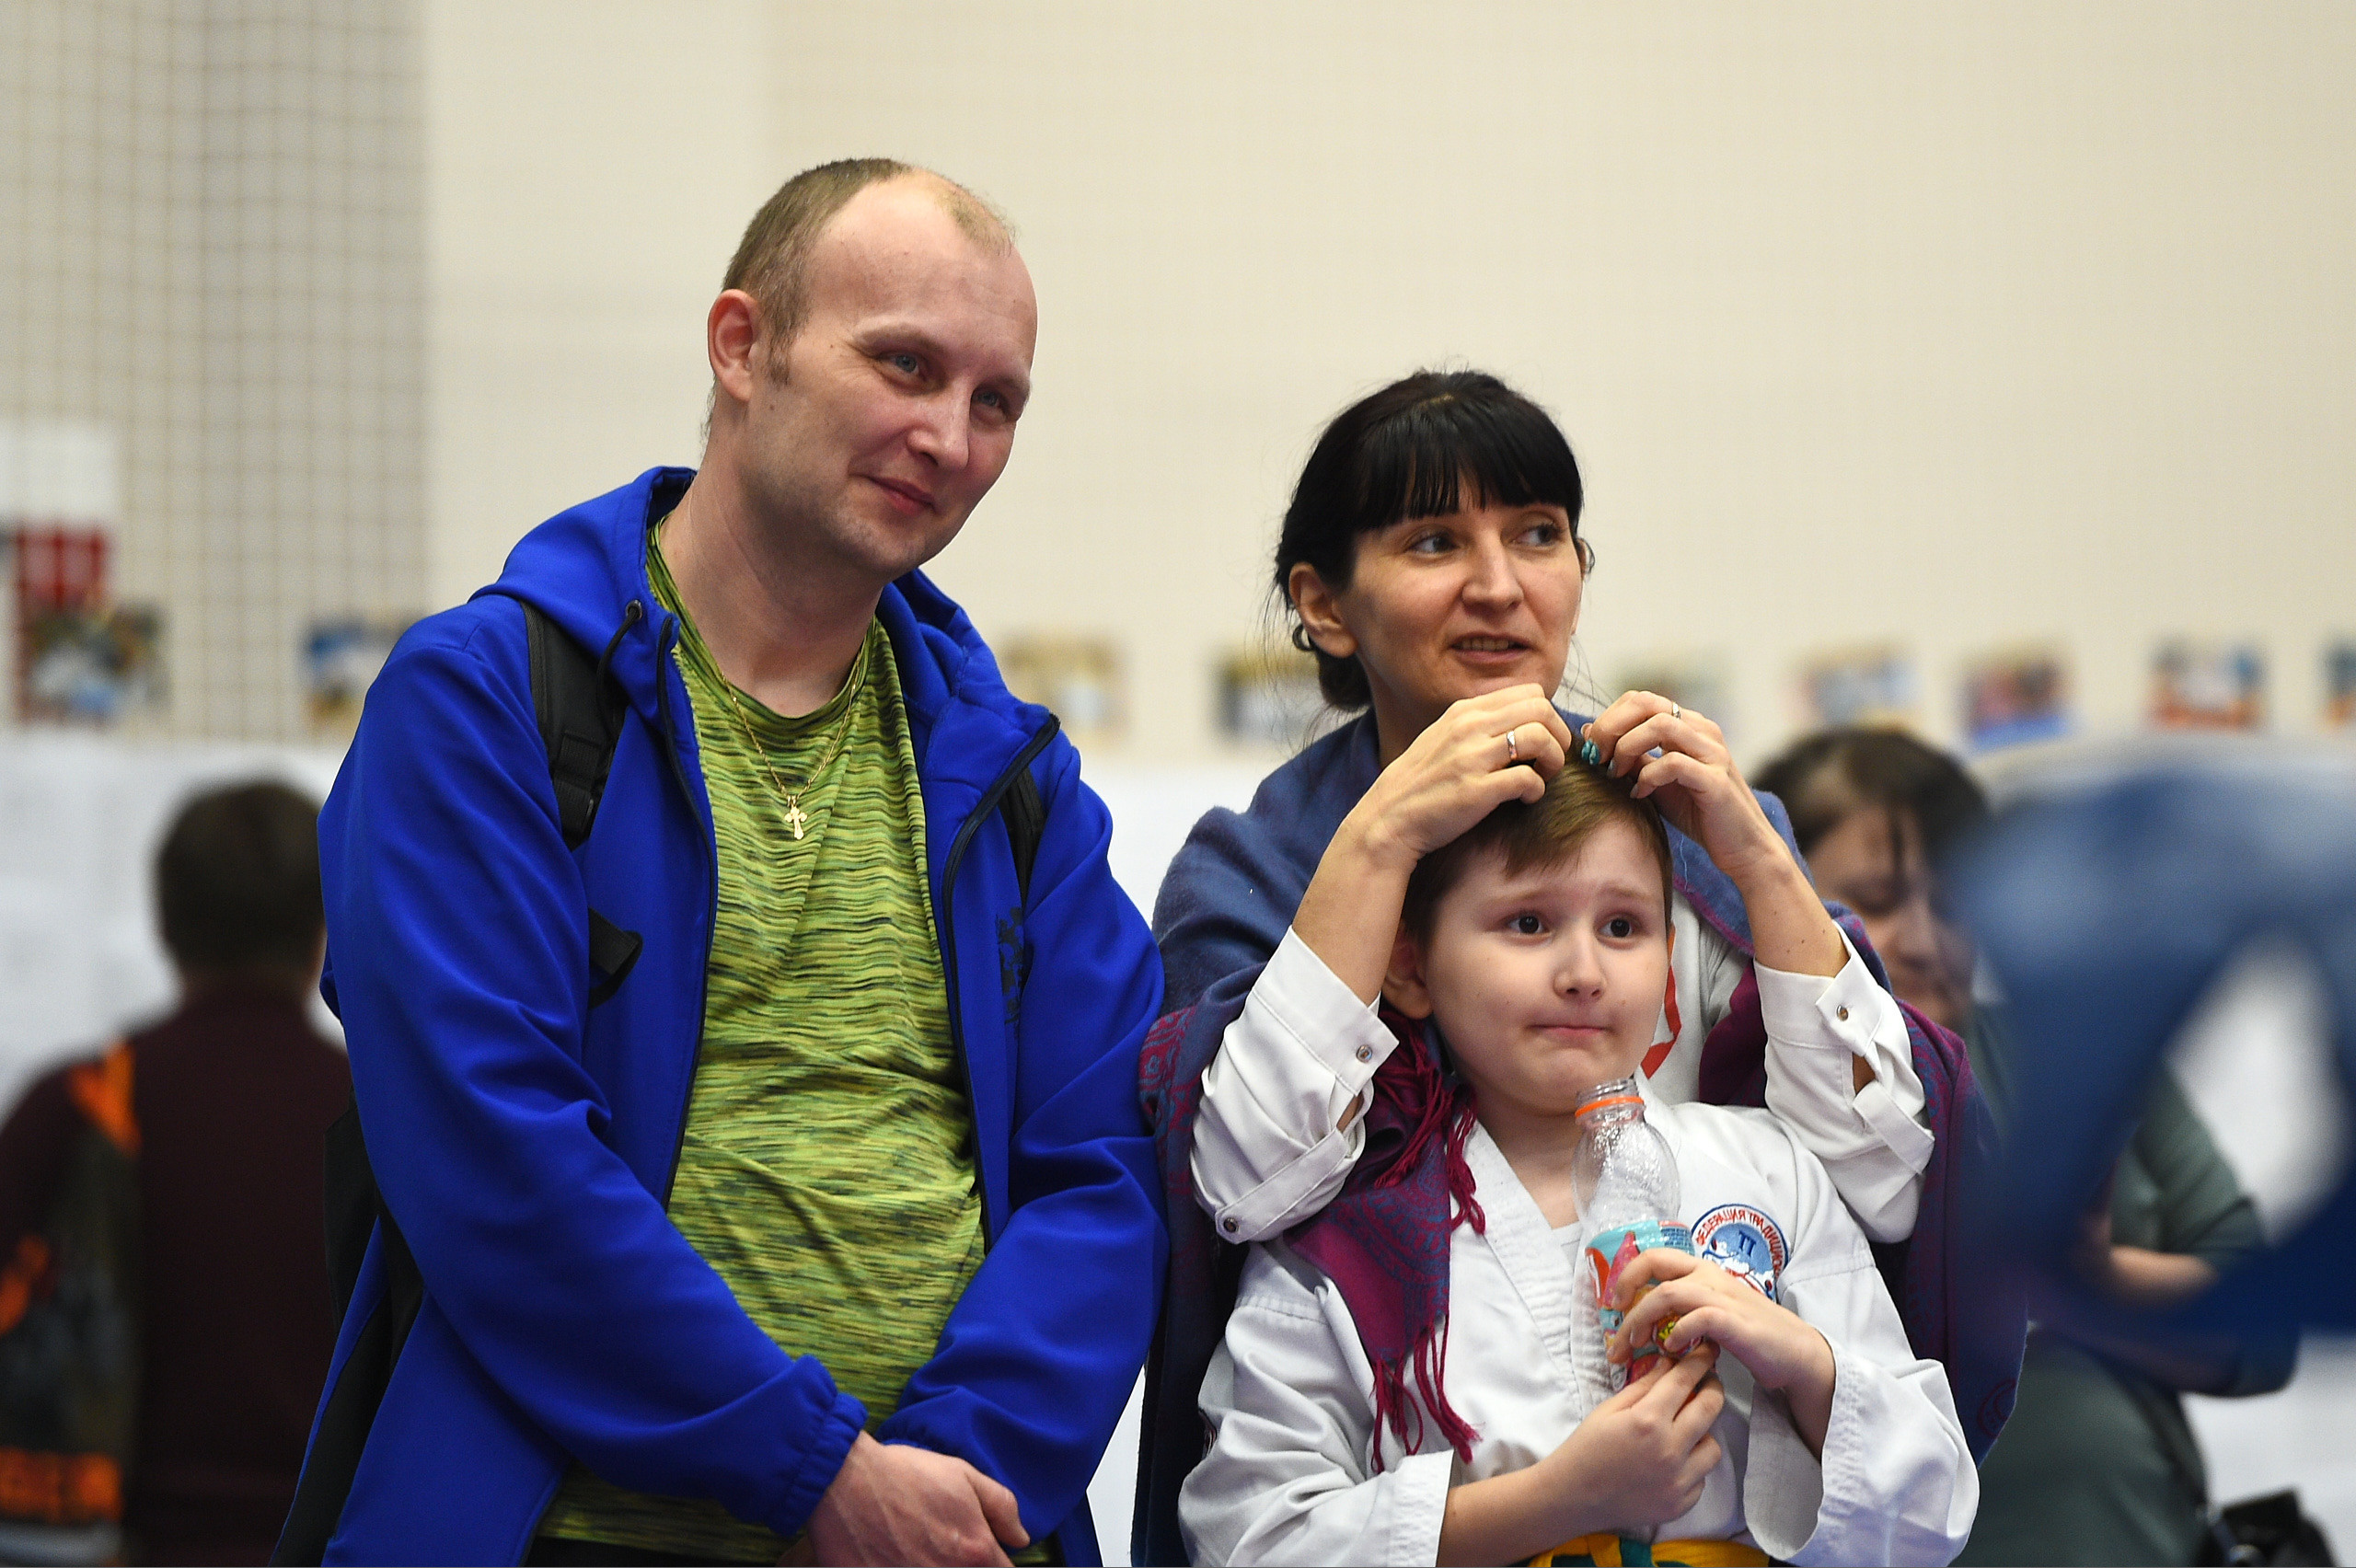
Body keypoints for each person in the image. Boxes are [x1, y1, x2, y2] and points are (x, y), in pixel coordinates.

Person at [283, 159, 1165, 1567]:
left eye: (995, 400)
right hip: (565, 1535)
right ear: (741, 346)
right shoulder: (489, 701)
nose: (949, 434)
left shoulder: (1018, 781)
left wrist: (946, 1483)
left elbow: (1106, 1172)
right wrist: (814, 1473)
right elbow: (494, 1152)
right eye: (905, 364)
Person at [1137, 370, 2008, 1563]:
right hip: (1404, 1462)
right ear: (1326, 605)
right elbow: (1245, 1190)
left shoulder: (1691, 828)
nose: (1499, 585)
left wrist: (1755, 853)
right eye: (1436, 540)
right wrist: (1383, 836)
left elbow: (1885, 1177)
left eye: (1538, 535)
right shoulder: (1264, 867)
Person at [1177, 760, 1978, 1566]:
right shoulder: (1345, 1234)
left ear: (1670, 958)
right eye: (1528, 924)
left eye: (1623, 928)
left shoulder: (1772, 1171)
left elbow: (1935, 1511)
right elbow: (1248, 1537)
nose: (1583, 975)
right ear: (1411, 966)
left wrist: (1802, 1366)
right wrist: (1559, 1498)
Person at [1752, 727, 2294, 1566]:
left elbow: (2267, 1337)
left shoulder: (2081, 1055)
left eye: (1959, 897)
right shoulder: (1747, 1104)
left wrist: (2096, 1281)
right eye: (1878, 898)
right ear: (1777, 893)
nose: (1929, 937)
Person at [0, 780, 351, 1565]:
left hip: (108, 1545)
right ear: (321, 930)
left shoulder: (76, 1108)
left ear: (165, 923)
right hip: (336, 1545)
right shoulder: (380, 1118)